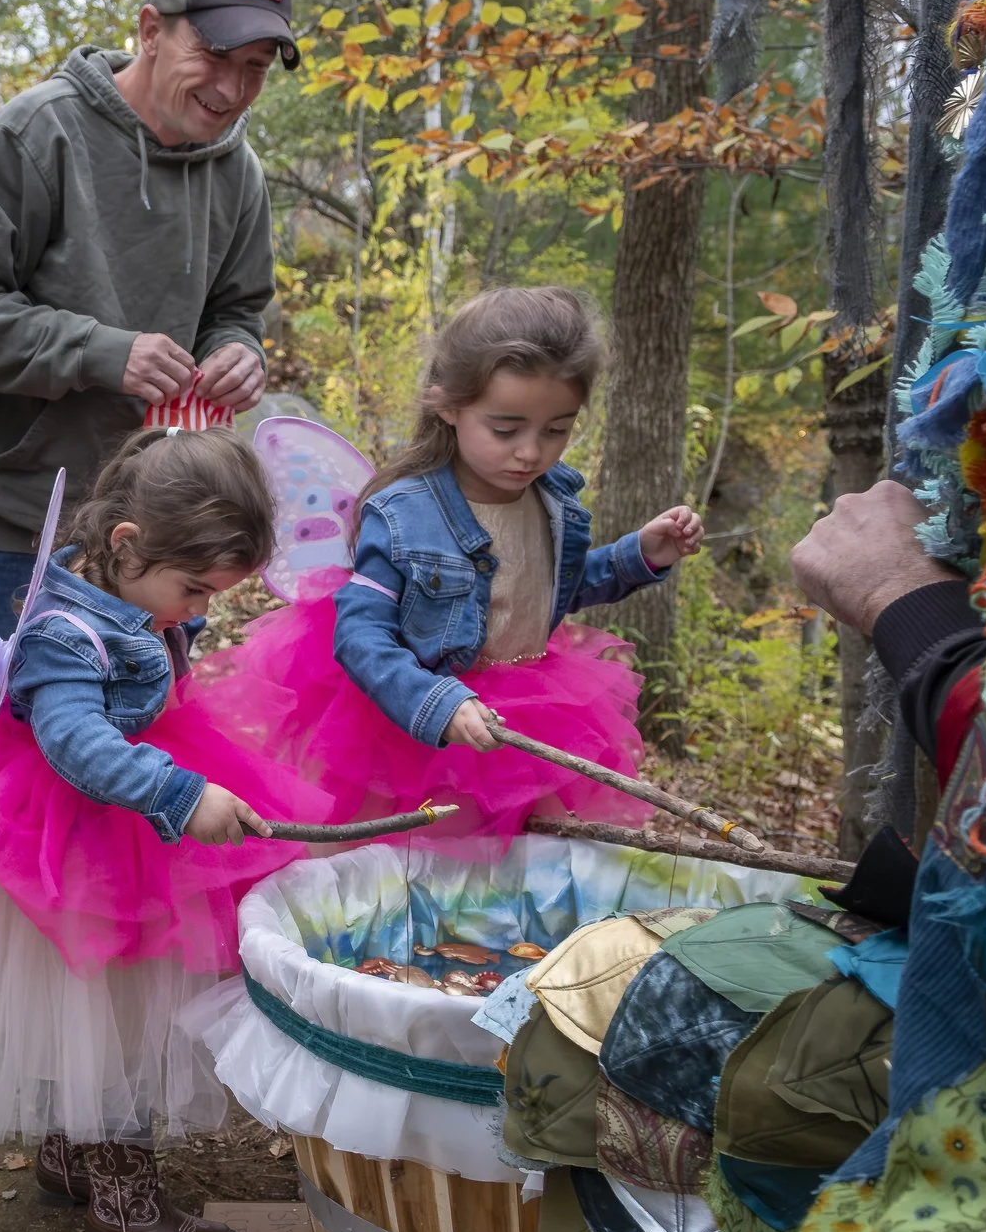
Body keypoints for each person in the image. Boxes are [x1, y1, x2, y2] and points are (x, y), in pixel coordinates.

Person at [0, 428, 336, 1232]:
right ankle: (123, 1209)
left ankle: (71, 1154)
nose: (200, 610)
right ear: (127, 544)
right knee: (121, 1017)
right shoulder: (66, 631)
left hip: (126, 815)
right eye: (194, 589)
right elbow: (75, 743)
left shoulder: (127, 593)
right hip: (87, 835)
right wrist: (179, 794)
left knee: (92, 1013)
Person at [0, 0, 294, 737]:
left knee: (146, 750)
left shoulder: (241, 175)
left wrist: (240, 351)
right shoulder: (35, 136)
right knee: (19, 750)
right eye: (215, 52)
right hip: (20, 512)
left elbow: (238, 305)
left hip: (162, 529)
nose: (231, 86)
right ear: (153, 30)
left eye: (257, 66)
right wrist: (101, 352)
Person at [199, 286, 705, 841]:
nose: (531, 452)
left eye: (557, 429)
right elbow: (361, 635)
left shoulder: (554, 497)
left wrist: (640, 555)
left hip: (527, 712)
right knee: (413, 859)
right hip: (417, 721)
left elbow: (550, 588)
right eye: (506, 430)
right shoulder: (405, 512)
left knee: (510, 860)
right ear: (448, 405)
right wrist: (434, 703)